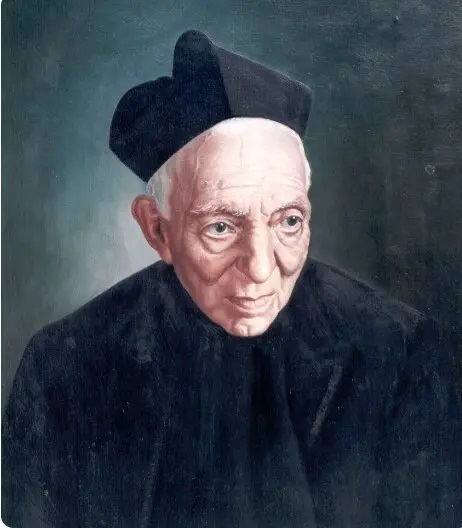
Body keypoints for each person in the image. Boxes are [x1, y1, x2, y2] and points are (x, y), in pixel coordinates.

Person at [2, 30, 461, 528]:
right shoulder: (61, 368)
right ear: (157, 230)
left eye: (289, 222)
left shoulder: (402, 354)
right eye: (221, 227)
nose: (261, 267)